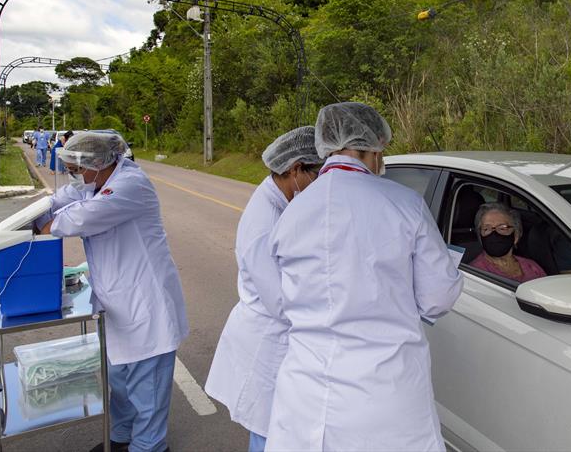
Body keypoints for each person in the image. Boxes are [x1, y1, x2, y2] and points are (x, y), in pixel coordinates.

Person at [265, 102, 463, 451]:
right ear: (375, 148)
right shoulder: (403, 203)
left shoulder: (292, 213)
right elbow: (439, 295)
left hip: (305, 392)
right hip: (383, 391)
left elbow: (285, 298)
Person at [35, 131, 188, 452]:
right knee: (119, 382)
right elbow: (66, 198)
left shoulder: (132, 185)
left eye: (80, 167)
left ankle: (149, 447)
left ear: (99, 163)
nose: (77, 174)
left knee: (148, 391)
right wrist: (39, 211)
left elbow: (81, 217)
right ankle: (120, 438)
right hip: (118, 303)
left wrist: (45, 225)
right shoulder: (97, 183)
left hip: (148, 306)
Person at [205, 126, 322, 452]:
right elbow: (279, 300)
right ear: (296, 168)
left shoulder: (279, 197)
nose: (320, 182)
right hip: (266, 342)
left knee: (275, 430)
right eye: (317, 173)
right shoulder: (265, 219)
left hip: (273, 337)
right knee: (270, 433)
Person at [470, 202, 546, 282]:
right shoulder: (475, 273)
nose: (494, 234)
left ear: (516, 235)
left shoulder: (531, 266)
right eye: (487, 229)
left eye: (502, 228)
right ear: (480, 236)